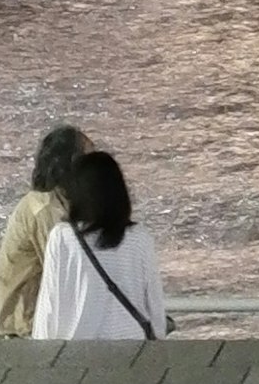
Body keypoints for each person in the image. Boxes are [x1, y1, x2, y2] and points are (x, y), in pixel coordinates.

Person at [29, 143, 167, 346]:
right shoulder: (139, 238)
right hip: (134, 350)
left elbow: (50, 302)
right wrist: (159, 337)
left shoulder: (63, 237)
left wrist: (41, 349)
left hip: (78, 350)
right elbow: (153, 301)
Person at [0, 121, 90, 337]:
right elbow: (65, 268)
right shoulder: (44, 209)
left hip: (30, 318)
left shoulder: (50, 201)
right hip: (26, 322)